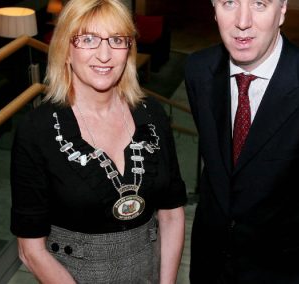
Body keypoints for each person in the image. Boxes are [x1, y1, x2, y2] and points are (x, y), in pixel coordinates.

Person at [185, 0, 299, 283]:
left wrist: (294, 225)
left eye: (260, 3)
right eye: (229, 3)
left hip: (286, 269)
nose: (242, 21)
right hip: (210, 263)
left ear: (282, 9)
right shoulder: (199, 70)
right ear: (213, 8)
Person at [10, 0, 187, 283]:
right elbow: (30, 250)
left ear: (129, 50)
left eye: (117, 40)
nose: (104, 54)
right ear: (65, 50)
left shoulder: (152, 114)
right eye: (88, 39)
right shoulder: (37, 129)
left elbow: (171, 214)